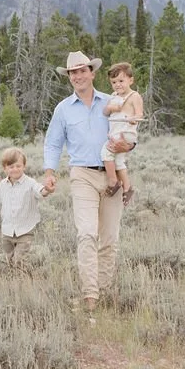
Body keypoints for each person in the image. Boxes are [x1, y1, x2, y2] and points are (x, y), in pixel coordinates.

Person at [43, 51, 133, 314]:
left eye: (82, 71)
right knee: (86, 234)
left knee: (109, 238)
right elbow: (53, 143)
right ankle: (90, 296)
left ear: (92, 73)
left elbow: (129, 132)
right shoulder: (63, 109)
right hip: (81, 174)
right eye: (73, 73)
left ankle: (103, 291)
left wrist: (129, 144)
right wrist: (49, 172)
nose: (78, 76)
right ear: (69, 77)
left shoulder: (113, 101)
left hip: (112, 175)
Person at [0, 147, 53, 266]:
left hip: (25, 230)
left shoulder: (30, 183)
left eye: (18, 166)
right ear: (5, 168)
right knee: (9, 259)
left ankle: (23, 279)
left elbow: (40, 191)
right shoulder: (3, 185)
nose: (15, 169)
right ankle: (13, 278)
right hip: (7, 231)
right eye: (11, 167)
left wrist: (47, 190)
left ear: (24, 166)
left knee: (20, 260)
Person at [101, 62, 144, 204]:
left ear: (130, 80)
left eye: (121, 81)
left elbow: (139, 114)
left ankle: (113, 181)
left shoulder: (134, 96)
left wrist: (133, 120)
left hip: (125, 131)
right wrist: (112, 108)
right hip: (116, 131)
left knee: (106, 153)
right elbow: (105, 112)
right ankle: (127, 187)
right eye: (114, 82)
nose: (117, 85)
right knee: (119, 161)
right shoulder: (113, 96)